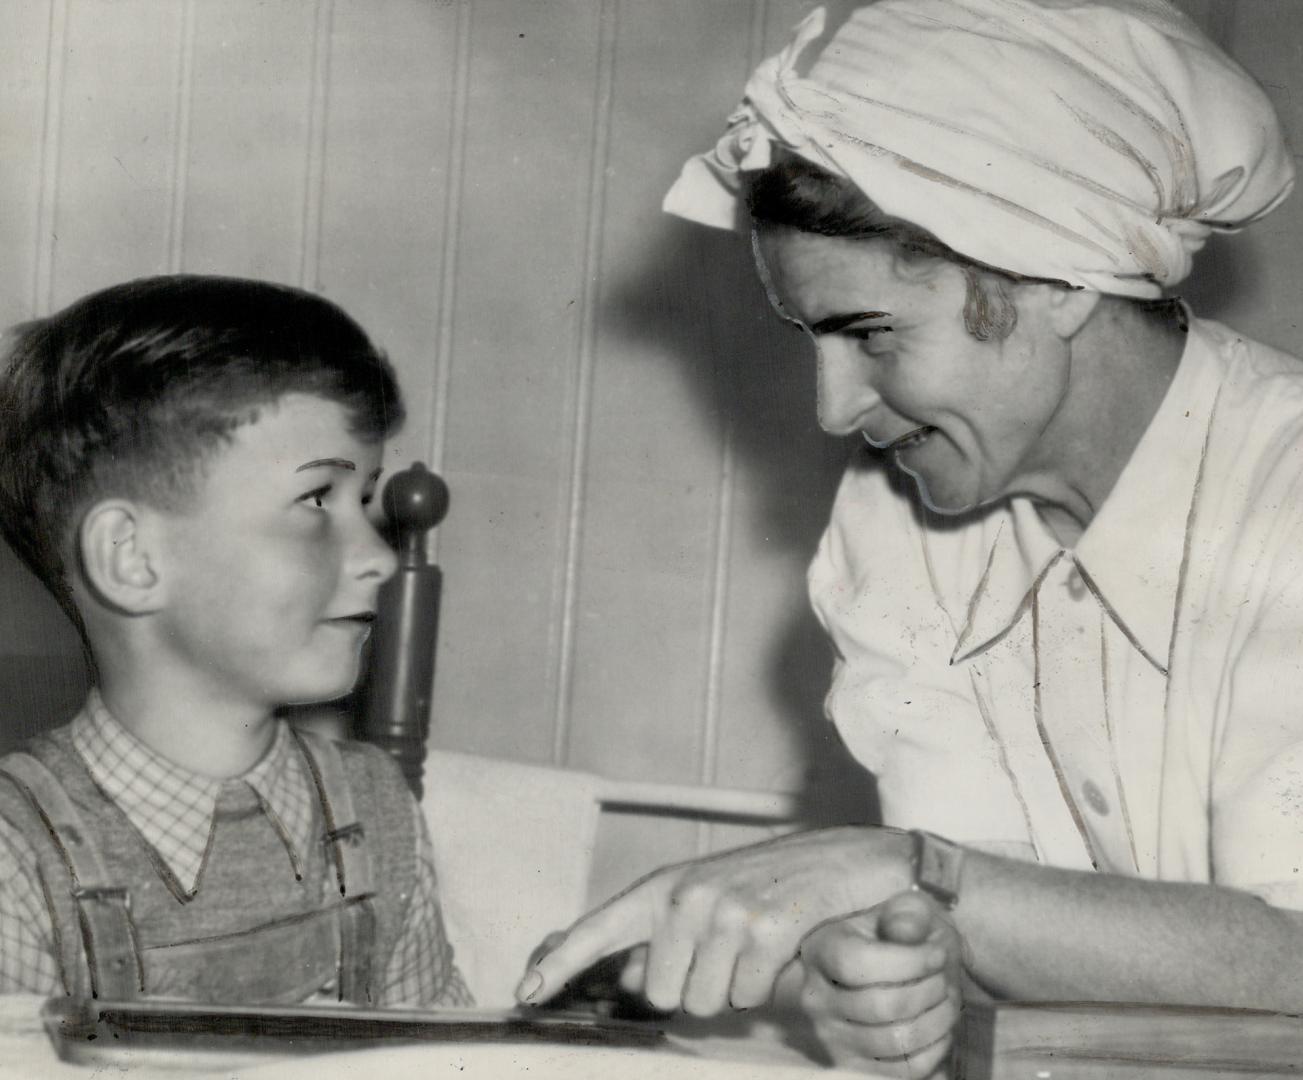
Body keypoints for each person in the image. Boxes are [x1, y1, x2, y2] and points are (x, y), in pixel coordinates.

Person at [516, 0, 1303, 1073]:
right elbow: (973, 919)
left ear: (1056, 282)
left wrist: (914, 876)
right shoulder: (899, 518)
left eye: (873, 334)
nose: (835, 410)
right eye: (814, 340)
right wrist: (895, 976)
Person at [0, 275, 471, 1007]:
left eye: (367, 500)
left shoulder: (377, 808)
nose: (378, 555)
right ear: (133, 558)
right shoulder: (16, 851)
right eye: (317, 499)